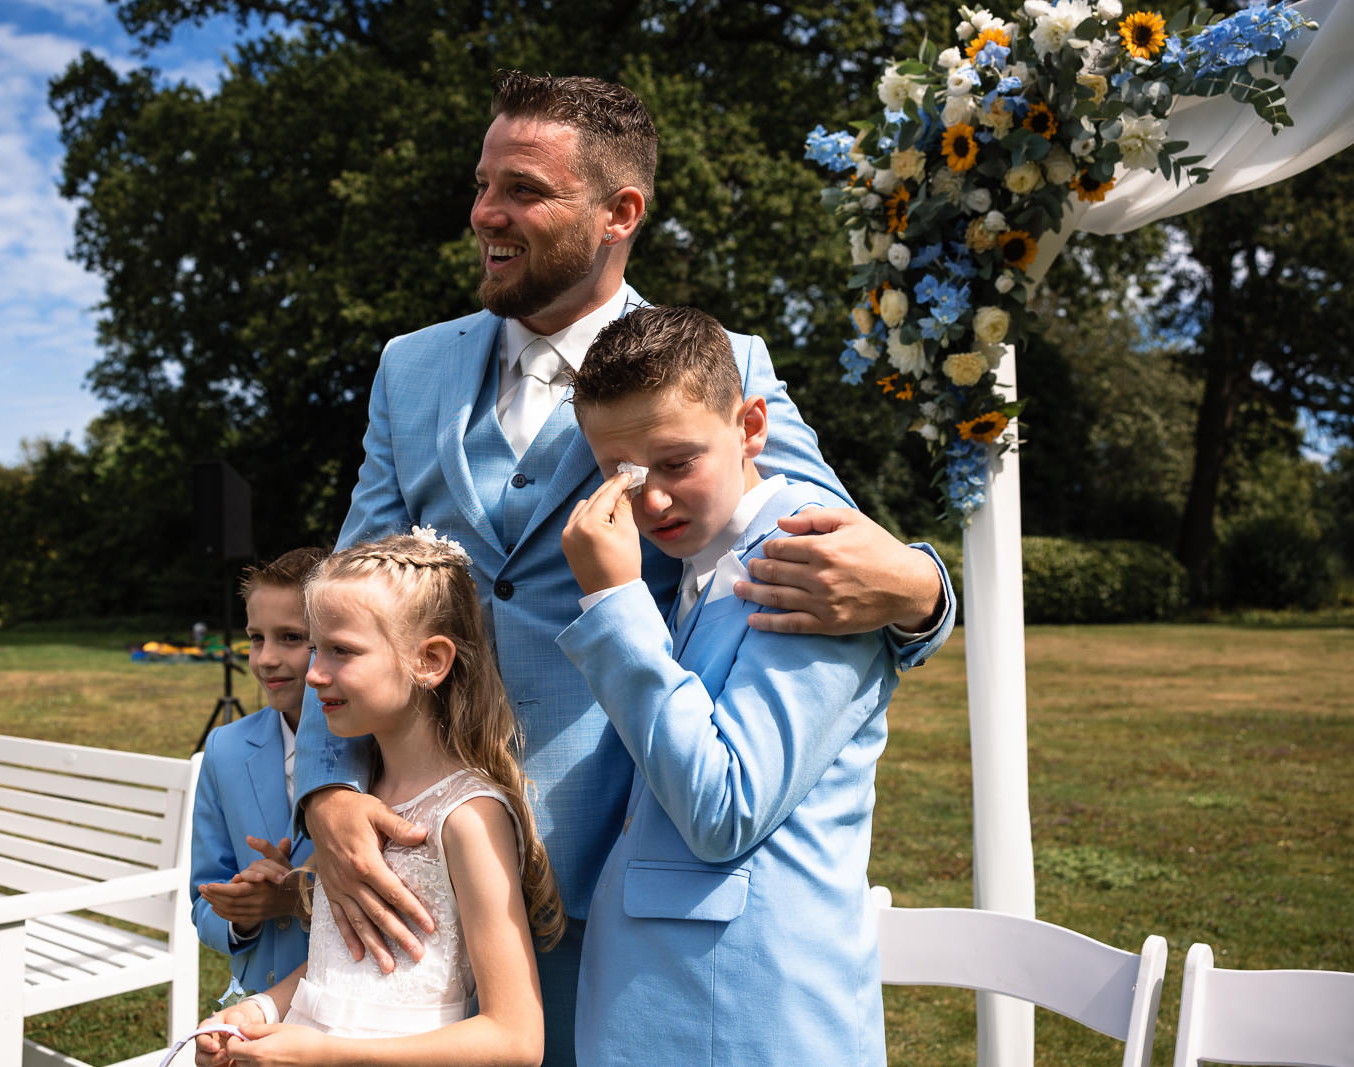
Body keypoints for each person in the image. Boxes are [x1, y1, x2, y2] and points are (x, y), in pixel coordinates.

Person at [294, 70, 955, 1063]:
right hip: (416, 857)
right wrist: (326, 789)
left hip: (609, 869)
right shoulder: (410, 366)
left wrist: (928, 591)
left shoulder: (726, 364)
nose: (483, 212)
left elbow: (829, 549)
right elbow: (352, 583)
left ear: (619, 212)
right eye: (480, 185)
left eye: (521, 189)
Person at [559, 305, 899, 1064]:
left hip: (744, 1017)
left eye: (677, 462)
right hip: (671, 1006)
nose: (650, 501)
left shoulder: (811, 561)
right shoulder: (698, 562)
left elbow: (726, 807)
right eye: (622, 474)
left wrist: (614, 607)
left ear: (751, 427)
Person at [193, 531, 563, 1067]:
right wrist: (261, 1013)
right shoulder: (352, 804)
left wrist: (325, 1055)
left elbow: (516, 1041)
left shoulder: (468, 818)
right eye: (315, 648)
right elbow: (340, 962)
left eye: (341, 651)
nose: (314, 674)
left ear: (430, 660)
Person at [190, 548, 326, 1005]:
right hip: (256, 996)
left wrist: (297, 898)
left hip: (349, 999)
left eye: (290, 637)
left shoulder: (379, 750)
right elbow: (203, 897)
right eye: (255, 638)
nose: (266, 659)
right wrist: (240, 913)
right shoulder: (225, 749)